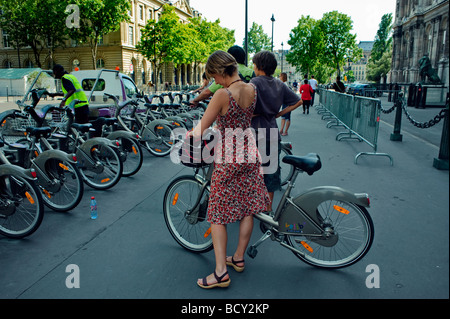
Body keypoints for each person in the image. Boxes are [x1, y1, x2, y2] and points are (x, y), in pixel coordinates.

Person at [189, 50, 271, 289]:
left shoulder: (223, 94)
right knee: (247, 206)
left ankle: (221, 272)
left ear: (219, 72)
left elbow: (201, 129)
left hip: (229, 157)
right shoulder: (252, 89)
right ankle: (238, 257)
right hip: (249, 151)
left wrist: (188, 134)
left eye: (213, 76)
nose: (213, 81)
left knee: (217, 213)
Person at [250, 51, 303, 211]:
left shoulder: (254, 83)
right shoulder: (280, 84)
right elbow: (299, 101)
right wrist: (277, 114)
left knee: (252, 171)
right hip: (272, 131)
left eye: (254, 64)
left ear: (259, 66)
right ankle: (268, 209)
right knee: (271, 172)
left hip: (255, 132)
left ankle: (253, 207)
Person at [190, 45, 255, 106]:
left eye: (214, 78)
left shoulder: (226, 71)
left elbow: (207, 92)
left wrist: (195, 100)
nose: (216, 82)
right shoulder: (251, 72)